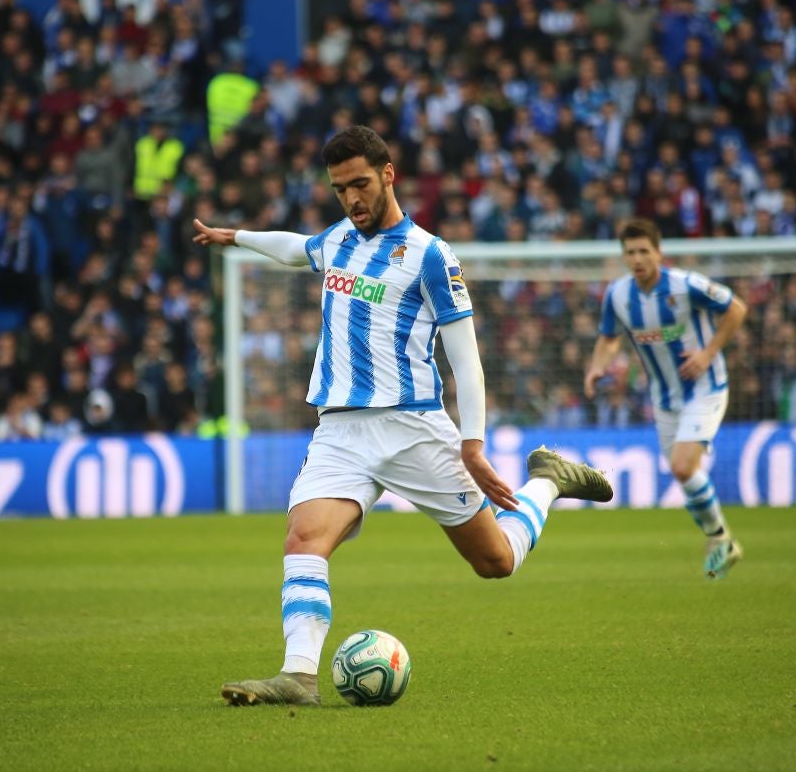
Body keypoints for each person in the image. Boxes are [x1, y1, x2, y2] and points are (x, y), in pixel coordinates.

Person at [194, 125, 612, 707]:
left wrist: (472, 445)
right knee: (303, 539)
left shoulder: (432, 257)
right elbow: (296, 249)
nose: (352, 199)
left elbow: (467, 362)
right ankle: (298, 676)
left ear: (388, 174)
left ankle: (548, 480)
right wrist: (234, 236)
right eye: (340, 189)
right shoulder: (337, 239)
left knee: (495, 562)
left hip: (413, 428)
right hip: (339, 429)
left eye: (360, 184)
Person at [583, 219, 748, 579]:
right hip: (665, 398)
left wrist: (707, 353)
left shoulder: (686, 285)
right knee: (684, 473)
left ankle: (721, 539)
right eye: (630, 252)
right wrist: (597, 367)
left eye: (644, 251)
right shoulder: (618, 295)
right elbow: (610, 338)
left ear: (659, 252)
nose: (638, 258)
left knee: (682, 467)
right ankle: (718, 538)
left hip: (706, 387)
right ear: (623, 257)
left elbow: (737, 308)